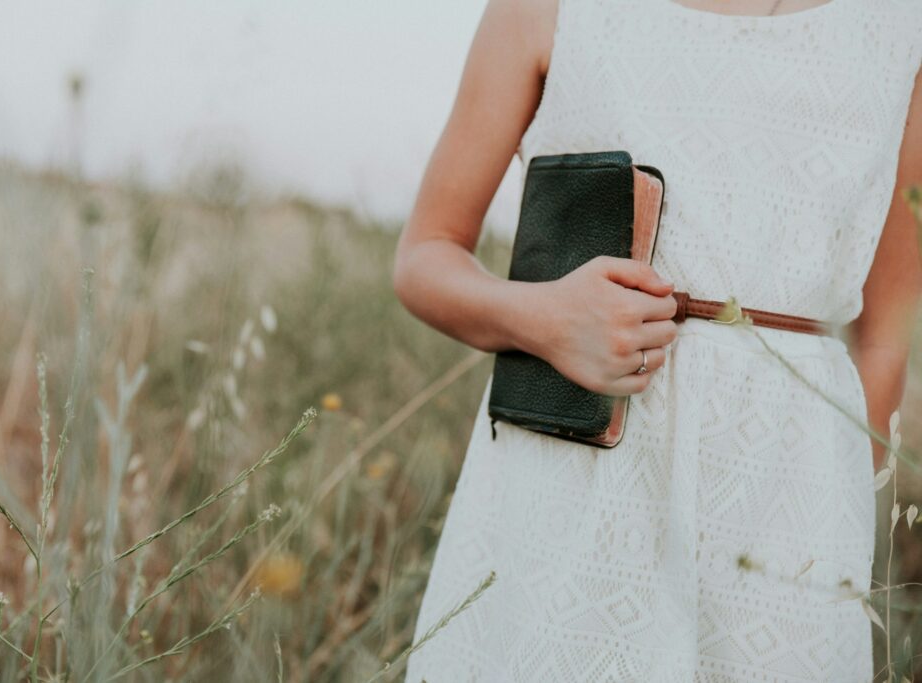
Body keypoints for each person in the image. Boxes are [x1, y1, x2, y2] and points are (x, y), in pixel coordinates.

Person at [391, 0, 922, 680]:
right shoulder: (547, 8)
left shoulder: (898, 28)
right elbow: (425, 255)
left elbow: (884, 335)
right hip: (574, 493)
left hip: (792, 510)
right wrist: (545, 317)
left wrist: (831, 508)